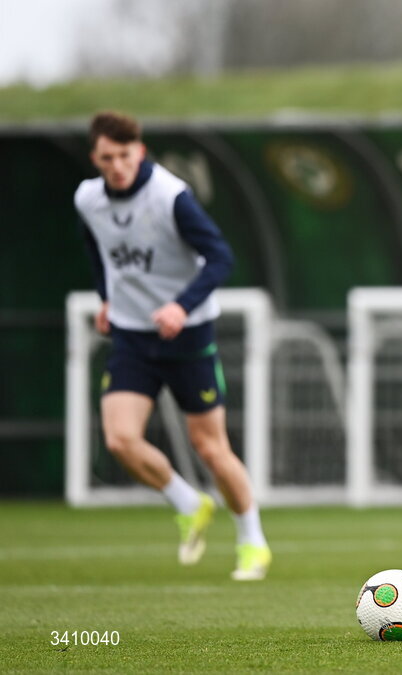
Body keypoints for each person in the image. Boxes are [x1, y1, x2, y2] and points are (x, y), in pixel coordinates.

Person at [75, 111, 271, 580]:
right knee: (120, 438)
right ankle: (188, 502)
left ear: (139, 151)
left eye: (125, 155)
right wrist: (106, 298)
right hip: (131, 335)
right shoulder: (87, 199)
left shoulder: (170, 196)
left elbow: (221, 257)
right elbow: (97, 249)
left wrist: (181, 306)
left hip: (187, 336)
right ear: (95, 158)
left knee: (209, 446)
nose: (118, 165)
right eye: (108, 157)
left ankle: (252, 541)